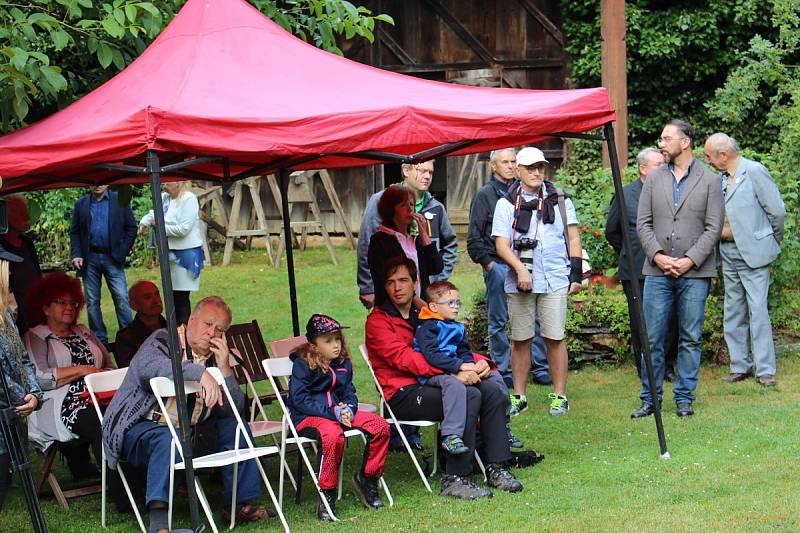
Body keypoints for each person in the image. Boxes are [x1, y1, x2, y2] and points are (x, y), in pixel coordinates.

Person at [102, 296, 275, 533]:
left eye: (220, 329)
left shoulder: (216, 355)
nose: (212, 332)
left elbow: (234, 407)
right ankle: (159, 525)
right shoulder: (163, 339)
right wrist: (199, 373)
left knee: (235, 425)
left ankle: (239, 505)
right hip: (141, 428)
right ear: (192, 319)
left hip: (191, 432)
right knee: (167, 437)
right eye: (207, 324)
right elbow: (147, 368)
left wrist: (224, 370)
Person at [365, 257, 522, 499]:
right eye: (390, 282)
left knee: (490, 387)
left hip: (439, 383)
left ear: (415, 283)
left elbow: (451, 344)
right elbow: (405, 359)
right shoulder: (378, 321)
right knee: (470, 394)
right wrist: (455, 371)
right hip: (403, 393)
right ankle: (455, 478)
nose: (397, 287)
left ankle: (497, 467)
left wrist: (477, 364)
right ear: (384, 286)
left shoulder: (426, 310)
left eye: (403, 280)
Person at [633, 119, 723, 419]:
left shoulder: (710, 180)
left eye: (666, 138)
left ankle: (684, 398)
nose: (661, 143)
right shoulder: (654, 179)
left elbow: (713, 228)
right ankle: (651, 399)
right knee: (653, 336)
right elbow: (642, 223)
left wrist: (689, 260)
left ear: (685, 142)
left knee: (690, 337)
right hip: (657, 272)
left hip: (695, 273)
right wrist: (658, 256)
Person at [492, 147, 583, 416]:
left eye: (540, 167)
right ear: (518, 171)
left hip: (555, 276)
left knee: (555, 337)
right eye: (530, 168)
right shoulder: (506, 203)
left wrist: (575, 275)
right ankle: (519, 396)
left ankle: (560, 396)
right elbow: (501, 244)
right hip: (520, 280)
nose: (536, 172)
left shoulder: (560, 199)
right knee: (521, 339)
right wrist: (520, 269)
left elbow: (574, 237)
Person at [287, 313, 389, 521]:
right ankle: (327, 494)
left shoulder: (342, 362)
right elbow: (298, 399)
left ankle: (368, 479)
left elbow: (348, 392)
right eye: (328, 340)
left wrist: (349, 408)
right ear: (313, 344)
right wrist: (331, 412)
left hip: (339, 414)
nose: (335, 345)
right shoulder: (303, 364)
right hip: (308, 418)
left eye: (337, 339)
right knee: (333, 435)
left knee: (380, 425)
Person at [703, 133, 786, 387]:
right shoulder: (719, 179)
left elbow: (778, 212)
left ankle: (765, 371)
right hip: (727, 251)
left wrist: (770, 241)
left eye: (709, 156)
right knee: (733, 309)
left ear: (723, 155)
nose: (706, 160)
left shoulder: (755, 171)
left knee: (758, 309)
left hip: (754, 253)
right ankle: (740, 365)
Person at [467, 148, 550, 389]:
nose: (511, 166)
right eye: (505, 162)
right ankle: (503, 369)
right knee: (499, 320)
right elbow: (474, 238)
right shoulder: (485, 195)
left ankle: (540, 367)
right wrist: (491, 265)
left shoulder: (527, 192)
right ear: (493, 166)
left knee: (533, 317)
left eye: (514, 161)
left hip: (528, 264)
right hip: (499, 265)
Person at [23, 272, 115, 479]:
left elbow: (110, 366)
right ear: (45, 307)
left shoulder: (84, 332)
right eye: (61, 302)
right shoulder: (36, 336)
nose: (69, 307)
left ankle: (133, 477)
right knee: (102, 423)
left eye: (73, 303)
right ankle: (120, 487)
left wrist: (99, 378)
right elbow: (40, 378)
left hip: (99, 396)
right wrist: (84, 370)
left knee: (125, 416)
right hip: (62, 405)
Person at [414, 280, 523, 452]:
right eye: (450, 303)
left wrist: (470, 365)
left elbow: (464, 350)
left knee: (495, 376)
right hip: (435, 373)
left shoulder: (457, 327)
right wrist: (459, 366)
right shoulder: (427, 327)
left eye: (458, 302)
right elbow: (432, 355)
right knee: (455, 386)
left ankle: (503, 426)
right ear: (434, 307)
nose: (456, 307)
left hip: (458, 367)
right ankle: (451, 435)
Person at [605, 148, 679, 382]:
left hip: (668, 266)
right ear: (643, 168)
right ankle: (645, 369)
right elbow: (612, 232)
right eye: (658, 164)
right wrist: (630, 251)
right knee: (640, 322)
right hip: (636, 269)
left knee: (670, 320)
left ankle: (666, 366)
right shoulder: (625, 194)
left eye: (664, 163)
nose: (664, 167)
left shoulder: (673, 193)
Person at [357, 160, 457, 309]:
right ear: (406, 171)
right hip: (394, 301)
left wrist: (436, 280)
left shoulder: (435, 208)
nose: (427, 176)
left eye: (430, 172)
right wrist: (367, 287)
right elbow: (365, 245)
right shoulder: (380, 202)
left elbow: (446, 251)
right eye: (422, 171)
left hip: (423, 292)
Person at [0, 245, 43, 510]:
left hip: (12, 416)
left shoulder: (5, 316)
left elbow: (22, 360)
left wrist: (34, 395)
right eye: (8, 269)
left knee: (4, 480)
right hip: (6, 411)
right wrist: (22, 397)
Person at [70, 185, 137, 343]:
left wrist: (121, 252)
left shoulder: (119, 200)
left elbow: (131, 228)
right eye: (93, 182)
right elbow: (75, 232)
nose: (97, 185)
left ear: (107, 184)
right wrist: (77, 254)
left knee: (121, 297)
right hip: (90, 257)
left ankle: (129, 335)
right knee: (92, 301)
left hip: (113, 257)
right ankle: (99, 339)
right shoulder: (81, 204)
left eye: (101, 182)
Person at [367, 185, 444, 308]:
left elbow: (436, 267)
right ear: (391, 209)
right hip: (395, 311)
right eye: (404, 205)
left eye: (412, 205)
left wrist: (423, 234)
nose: (410, 210)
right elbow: (385, 280)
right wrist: (418, 302)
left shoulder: (413, 239)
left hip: (420, 309)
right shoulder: (380, 241)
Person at [139, 181, 203, 326]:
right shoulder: (164, 197)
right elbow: (153, 213)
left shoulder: (189, 199)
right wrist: (144, 222)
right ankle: (173, 332)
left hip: (186, 255)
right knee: (171, 296)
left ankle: (183, 334)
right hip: (169, 253)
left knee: (181, 297)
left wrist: (159, 226)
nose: (164, 182)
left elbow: (183, 229)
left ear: (179, 183)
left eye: (170, 180)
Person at [0, 194, 41, 336]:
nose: (27, 216)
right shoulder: (2, 249)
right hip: (15, 319)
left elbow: (37, 275)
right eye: (20, 212)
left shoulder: (27, 242)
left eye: (26, 211)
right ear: (5, 216)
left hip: (36, 313)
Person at [114, 280, 167, 368]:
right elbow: (131, 372)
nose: (155, 300)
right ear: (133, 305)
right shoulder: (126, 338)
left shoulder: (173, 328)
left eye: (157, 294)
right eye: (147, 297)